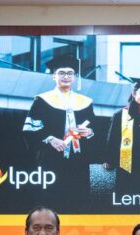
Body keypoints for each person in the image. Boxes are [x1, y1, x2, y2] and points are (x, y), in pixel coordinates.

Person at [21, 56, 96, 204]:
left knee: (78, 200)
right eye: (61, 73)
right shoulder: (42, 100)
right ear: (54, 76)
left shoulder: (86, 102)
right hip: (51, 159)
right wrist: (50, 139)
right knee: (52, 200)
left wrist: (89, 132)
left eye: (70, 73)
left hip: (79, 161)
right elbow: (29, 129)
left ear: (75, 77)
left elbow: (96, 128)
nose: (66, 76)